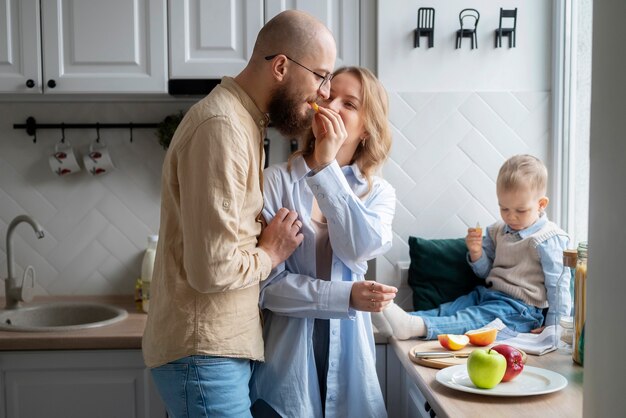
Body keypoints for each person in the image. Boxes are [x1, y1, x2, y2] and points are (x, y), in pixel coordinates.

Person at [142, 10, 337, 418]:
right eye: (320, 76)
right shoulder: (222, 126)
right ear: (281, 66)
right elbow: (212, 270)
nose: (323, 92)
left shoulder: (245, 123)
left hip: (213, 352)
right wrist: (272, 251)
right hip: (203, 354)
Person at [249, 67, 398, 418]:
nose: (332, 105)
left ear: (366, 130)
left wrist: (327, 166)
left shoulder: (378, 194)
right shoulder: (275, 182)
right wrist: (346, 295)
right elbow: (268, 288)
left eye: (350, 104)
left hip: (350, 357)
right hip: (285, 362)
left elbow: (356, 248)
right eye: (329, 95)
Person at [378, 154, 570, 340]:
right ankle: (397, 322)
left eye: (520, 210)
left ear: (541, 204)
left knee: (470, 320)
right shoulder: (498, 231)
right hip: (487, 294)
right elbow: (485, 273)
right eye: (504, 208)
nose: (510, 217)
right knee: (450, 309)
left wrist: (554, 328)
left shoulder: (549, 238)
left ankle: (413, 327)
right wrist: (476, 252)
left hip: (520, 310)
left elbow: (559, 288)